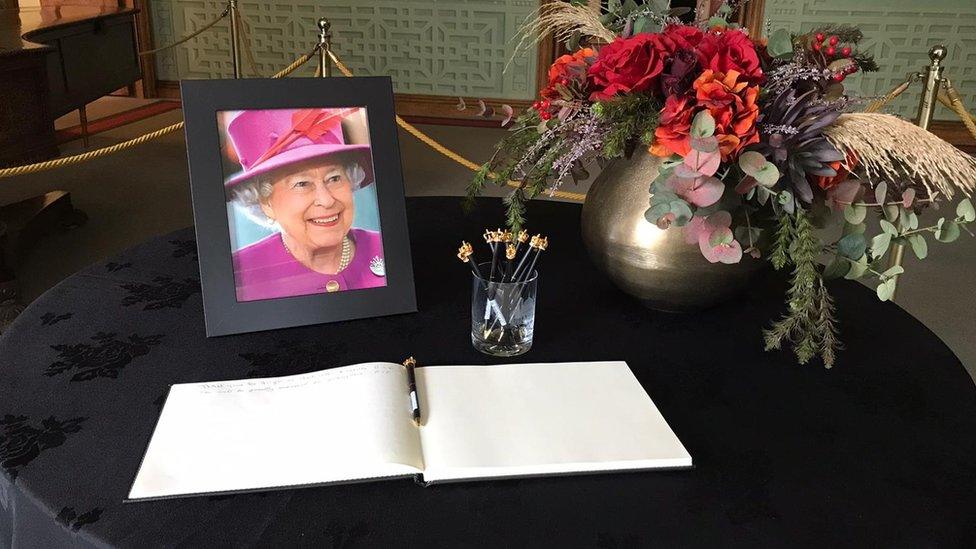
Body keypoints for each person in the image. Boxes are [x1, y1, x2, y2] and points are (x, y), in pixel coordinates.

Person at [223, 108, 386, 302]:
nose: (326, 200)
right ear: (265, 202)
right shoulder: (237, 274)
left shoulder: (387, 248)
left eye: (334, 178)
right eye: (302, 184)